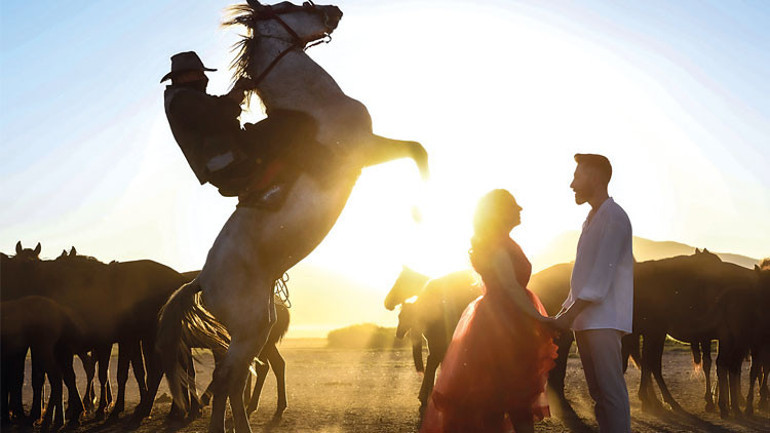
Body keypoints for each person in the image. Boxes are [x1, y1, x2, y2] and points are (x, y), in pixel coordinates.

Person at [421, 189, 558, 433]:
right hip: (501, 325)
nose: (520, 209)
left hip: (509, 321)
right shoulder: (496, 244)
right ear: (501, 212)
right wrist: (541, 318)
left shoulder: (500, 241)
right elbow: (511, 288)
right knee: (503, 398)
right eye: (514, 205)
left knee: (512, 398)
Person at [161, 51, 328, 201]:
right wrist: (235, 99)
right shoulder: (181, 100)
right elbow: (216, 118)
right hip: (230, 161)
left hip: (231, 156)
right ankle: (330, 173)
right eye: (197, 74)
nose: (204, 78)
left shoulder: (188, 97)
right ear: (183, 77)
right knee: (287, 124)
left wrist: (238, 90)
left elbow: (218, 106)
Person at [554, 153, 633, 433]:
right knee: (599, 394)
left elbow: (600, 278)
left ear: (596, 178)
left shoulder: (614, 217)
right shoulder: (592, 219)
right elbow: (582, 278)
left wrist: (566, 317)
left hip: (604, 320)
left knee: (611, 392)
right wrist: (562, 315)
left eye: (577, 176)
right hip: (586, 321)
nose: (571, 184)